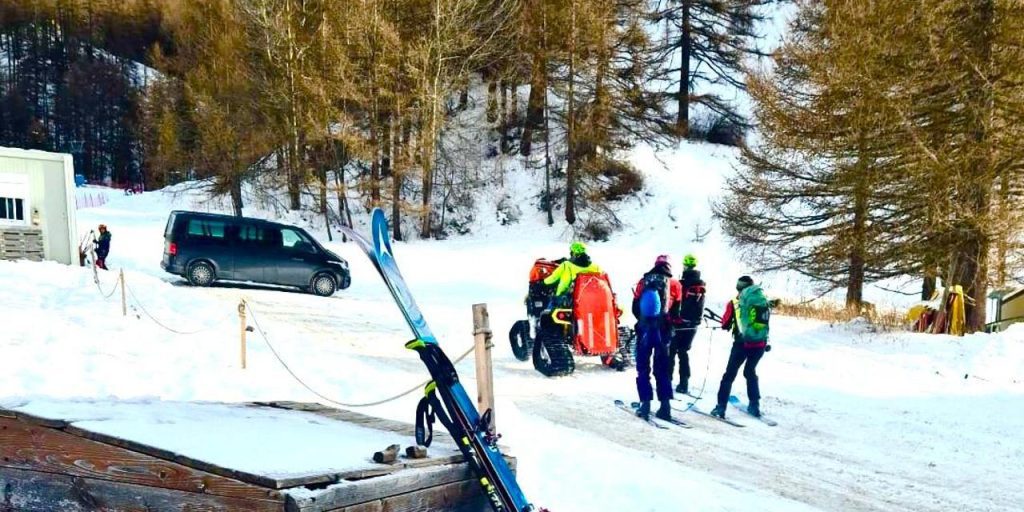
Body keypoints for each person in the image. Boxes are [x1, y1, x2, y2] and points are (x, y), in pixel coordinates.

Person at [711, 276, 770, 418]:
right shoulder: (762, 300)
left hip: (741, 344)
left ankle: (720, 407)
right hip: (760, 344)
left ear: (738, 288)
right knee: (750, 372)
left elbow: (725, 323)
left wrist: (728, 324)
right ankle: (754, 405)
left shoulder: (734, 302)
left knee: (729, 375)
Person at [631, 255, 681, 421]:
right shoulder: (675, 284)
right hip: (663, 332)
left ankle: (645, 405)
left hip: (645, 330)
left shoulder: (643, 281)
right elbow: (676, 312)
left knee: (643, 368)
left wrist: (643, 322)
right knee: (662, 369)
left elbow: (635, 307)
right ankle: (665, 407)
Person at [668, 254, 706, 395]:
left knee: (671, 351)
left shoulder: (681, 284)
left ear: (684, 265)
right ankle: (684, 382)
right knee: (683, 352)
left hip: (679, 322)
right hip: (693, 323)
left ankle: (668, 379)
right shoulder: (701, 284)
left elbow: (674, 302)